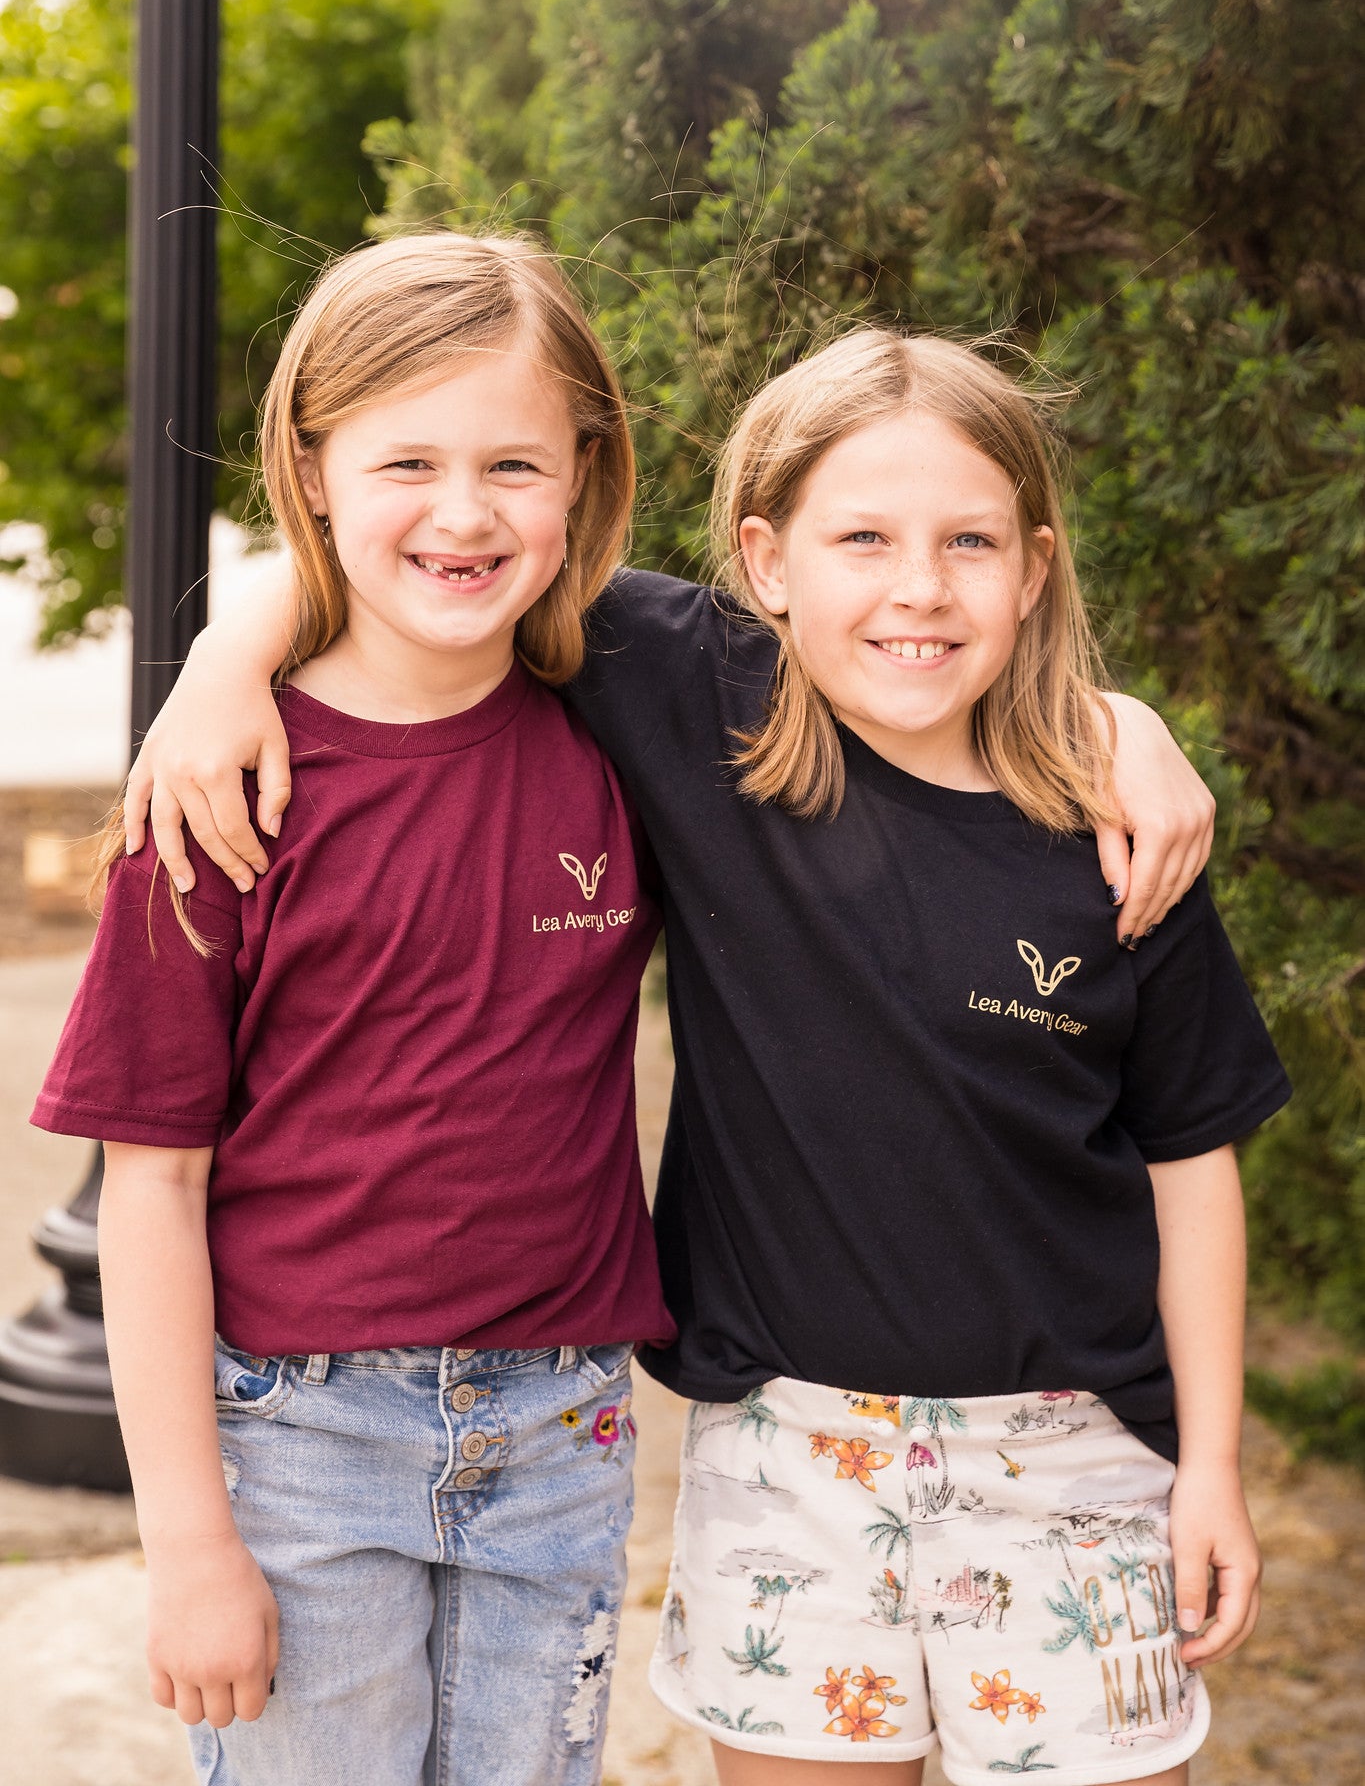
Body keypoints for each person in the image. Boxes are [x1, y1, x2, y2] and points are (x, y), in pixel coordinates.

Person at [126, 316, 1242, 1786]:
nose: (916, 588)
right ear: (769, 565)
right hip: (784, 1461)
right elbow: (433, 554)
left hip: (1073, 1461)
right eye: (861, 540)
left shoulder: (1117, 844)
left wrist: (1211, 1465)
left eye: (969, 544)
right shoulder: (698, 700)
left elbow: (1192, 1154)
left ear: (1033, 566)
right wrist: (223, 656)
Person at [32, 233, 676, 1786]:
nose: (464, 513)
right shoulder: (214, 794)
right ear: (309, 470)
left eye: (516, 462)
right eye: (406, 461)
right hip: (294, 1445)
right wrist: (185, 1545)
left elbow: (891, 670)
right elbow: (151, 1188)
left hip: (565, 1431)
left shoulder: (630, 720)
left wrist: (1115, 729)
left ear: (585, 475)